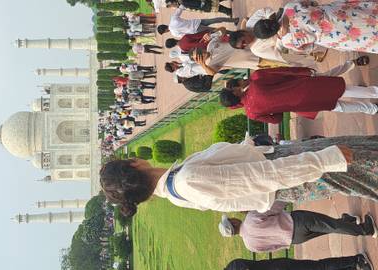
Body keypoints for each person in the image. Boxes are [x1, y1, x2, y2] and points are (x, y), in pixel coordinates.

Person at [100, 132, 378, 216]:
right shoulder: (186, 181)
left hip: (292, 167)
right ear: (134, 166)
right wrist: (326, 159)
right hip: (300, 170)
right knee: (367, 166)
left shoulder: (177, 185)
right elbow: (264, 177)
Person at [219, 65, 378, 124]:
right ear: (234, 91)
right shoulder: (256, 79)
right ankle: (374, 93)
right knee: (343, 89)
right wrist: (305, 72)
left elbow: (277, 119)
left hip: (301, 104)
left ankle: (371, 109)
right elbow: (283, 72)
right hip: (303, 86)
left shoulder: (252, 113)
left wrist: (277, 104)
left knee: (337, 106)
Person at [218, 201, 377, 253]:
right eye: (231, 219)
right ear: (233, 223)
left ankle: (347, 222)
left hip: (294, 239)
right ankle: (366, 229)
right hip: (296, 221)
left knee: (329, 227)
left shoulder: (249, 246)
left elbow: (274, 248)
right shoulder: (250, 218)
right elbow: (275, 207)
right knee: (330, 226)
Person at [253, 1, 378, 54]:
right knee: (365, 16)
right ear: (266, 20)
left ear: (270, 35)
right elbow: (313, 3)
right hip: (334, 14)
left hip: (332, 36)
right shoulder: (289, 7)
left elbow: (308, 47)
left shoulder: (287, 41)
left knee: (365, 37)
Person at [157, 5, 238, 38]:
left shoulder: (174, 33)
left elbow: (185, 35)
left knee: (216, 30)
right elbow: (181, 8)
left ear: (165, 31)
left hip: (196, 29)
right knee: (216, 20)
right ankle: (234, 20)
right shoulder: (173, 19)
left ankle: (233, 33)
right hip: (196, 22)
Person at [225, 254, 374, 270]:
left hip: (280, 267)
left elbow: (245, 266)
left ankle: (356, 260)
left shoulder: (234, 266)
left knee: (320, 266)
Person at [166, 0, 233, 16]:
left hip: (201, 4)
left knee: (216, 7)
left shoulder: (183, 2)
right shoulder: (181, 2)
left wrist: (202, 5)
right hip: (201, 3)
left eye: (171, 5)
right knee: (215, 3)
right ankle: (228, 11)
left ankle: (228, 12)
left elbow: (193, 4)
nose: (172, 6)